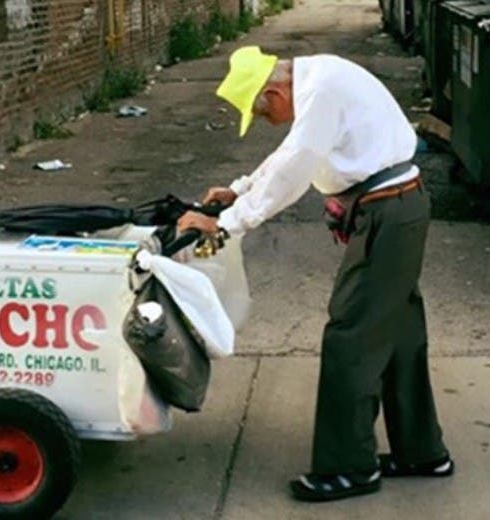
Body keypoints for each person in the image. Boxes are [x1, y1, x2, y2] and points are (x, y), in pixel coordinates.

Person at [177, 46, 453, 503]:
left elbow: (296, 165)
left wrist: (226, 224)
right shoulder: (317, 79)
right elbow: (290, 154)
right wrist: (240, 189)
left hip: (387, 213)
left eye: (264, 114)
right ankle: (422, 454)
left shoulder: (320, 90)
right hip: (395, 208)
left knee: (351, 335)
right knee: (399, 335)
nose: (271, 122)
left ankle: (349, 468)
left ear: (273, 90)